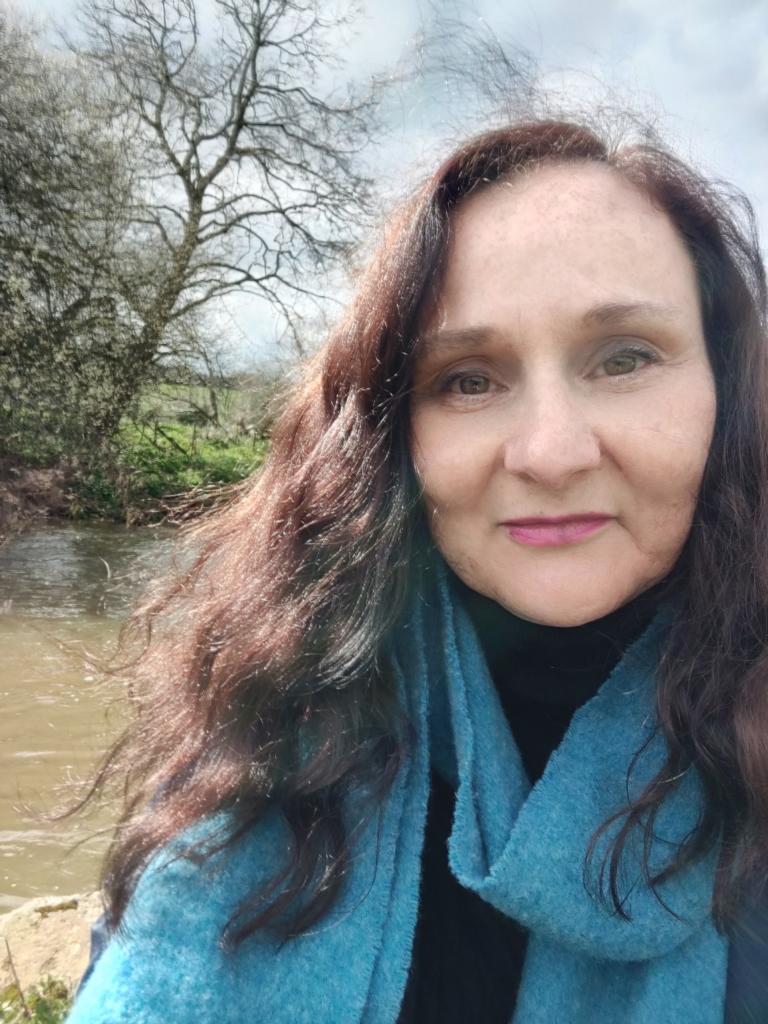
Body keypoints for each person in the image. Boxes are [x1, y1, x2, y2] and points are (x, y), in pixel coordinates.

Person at [66, 117, 768, 1023]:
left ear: (726, 391)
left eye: (624, 358)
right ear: (392, 435)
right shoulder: (266, 720)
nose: (550, 453)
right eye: (468, 379)